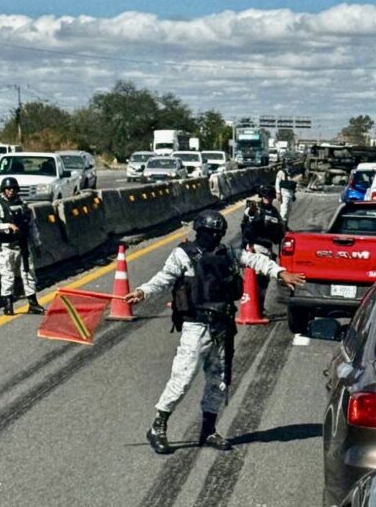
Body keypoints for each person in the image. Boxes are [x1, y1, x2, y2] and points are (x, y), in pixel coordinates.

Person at [124, 210, 305, 455]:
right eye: (210, 233)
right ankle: (158, 426)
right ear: (200, 231)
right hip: (195, 326)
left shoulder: (228, 253)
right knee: (183, 378)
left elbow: (255, 260)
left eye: (217, 234)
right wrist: (143, 291)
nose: (213, 237)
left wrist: (280, 272)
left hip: (222, 326)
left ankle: (208, 430)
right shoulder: (184, 254)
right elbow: (164, 278)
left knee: (219, 382)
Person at [0, 177, 44, 315]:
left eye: (13, 188)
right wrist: (7, 226)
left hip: (23, 245)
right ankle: (8, 304)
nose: (10, 191)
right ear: (3, 190)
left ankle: (33, 303)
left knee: (28, 273)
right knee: (7, 275)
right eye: (7, 188)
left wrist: (37, 244)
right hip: (6, 246)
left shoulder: (23, 205)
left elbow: (32, 225)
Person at [241, 185, 286, 311]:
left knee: (264, 281)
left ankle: (259, 306)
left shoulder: (274, 212)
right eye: (266, 196)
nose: (268, 199)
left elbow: (282, 229)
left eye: (270, 196)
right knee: (258, 279)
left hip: (268, 247)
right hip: (255, 246)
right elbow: (247, 221)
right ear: (262, 196)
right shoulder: (255, 207)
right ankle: (256, 307)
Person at [275, 161, 297, 226]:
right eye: (288, 165)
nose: (290, 166)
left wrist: (293, 195)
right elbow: (277, 183)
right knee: (284, 211)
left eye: (290, 165)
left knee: (288, 210)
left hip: (290, 194)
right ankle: (281, 227)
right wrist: (278, 193)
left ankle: (285, 226)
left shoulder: (290, 173)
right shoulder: (281, 172)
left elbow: (291, 185)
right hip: (284, 194)